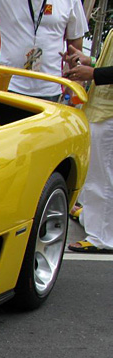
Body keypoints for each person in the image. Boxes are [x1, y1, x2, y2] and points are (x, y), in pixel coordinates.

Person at [63, 37, 113, 252]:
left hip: (107, 113)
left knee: (101, 178)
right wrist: (90, 61)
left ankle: (101, 237)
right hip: (101, 110)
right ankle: (94, 220)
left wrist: (94, 74)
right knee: (97, 174)